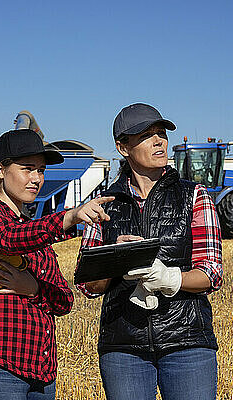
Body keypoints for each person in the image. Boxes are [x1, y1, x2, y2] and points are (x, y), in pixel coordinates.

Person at [76, 104, 223, 400]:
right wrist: (115, 260)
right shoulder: (103, 203)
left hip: (187, 341)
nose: (159, 141)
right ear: (123, 147)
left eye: (161, 133)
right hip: (123, 347)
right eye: (147, 135)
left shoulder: (195, 196)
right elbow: (88, 285)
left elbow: (212, 273)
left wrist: (169, 278)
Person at [0, 128, 113, 400]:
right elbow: (7, 239)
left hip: (40, 372)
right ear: (0, 170)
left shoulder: (36, 232)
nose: (36, 179)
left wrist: (33, 290)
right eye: (27, 169)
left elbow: (64, 300)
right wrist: (71, 217)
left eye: (41, 170)